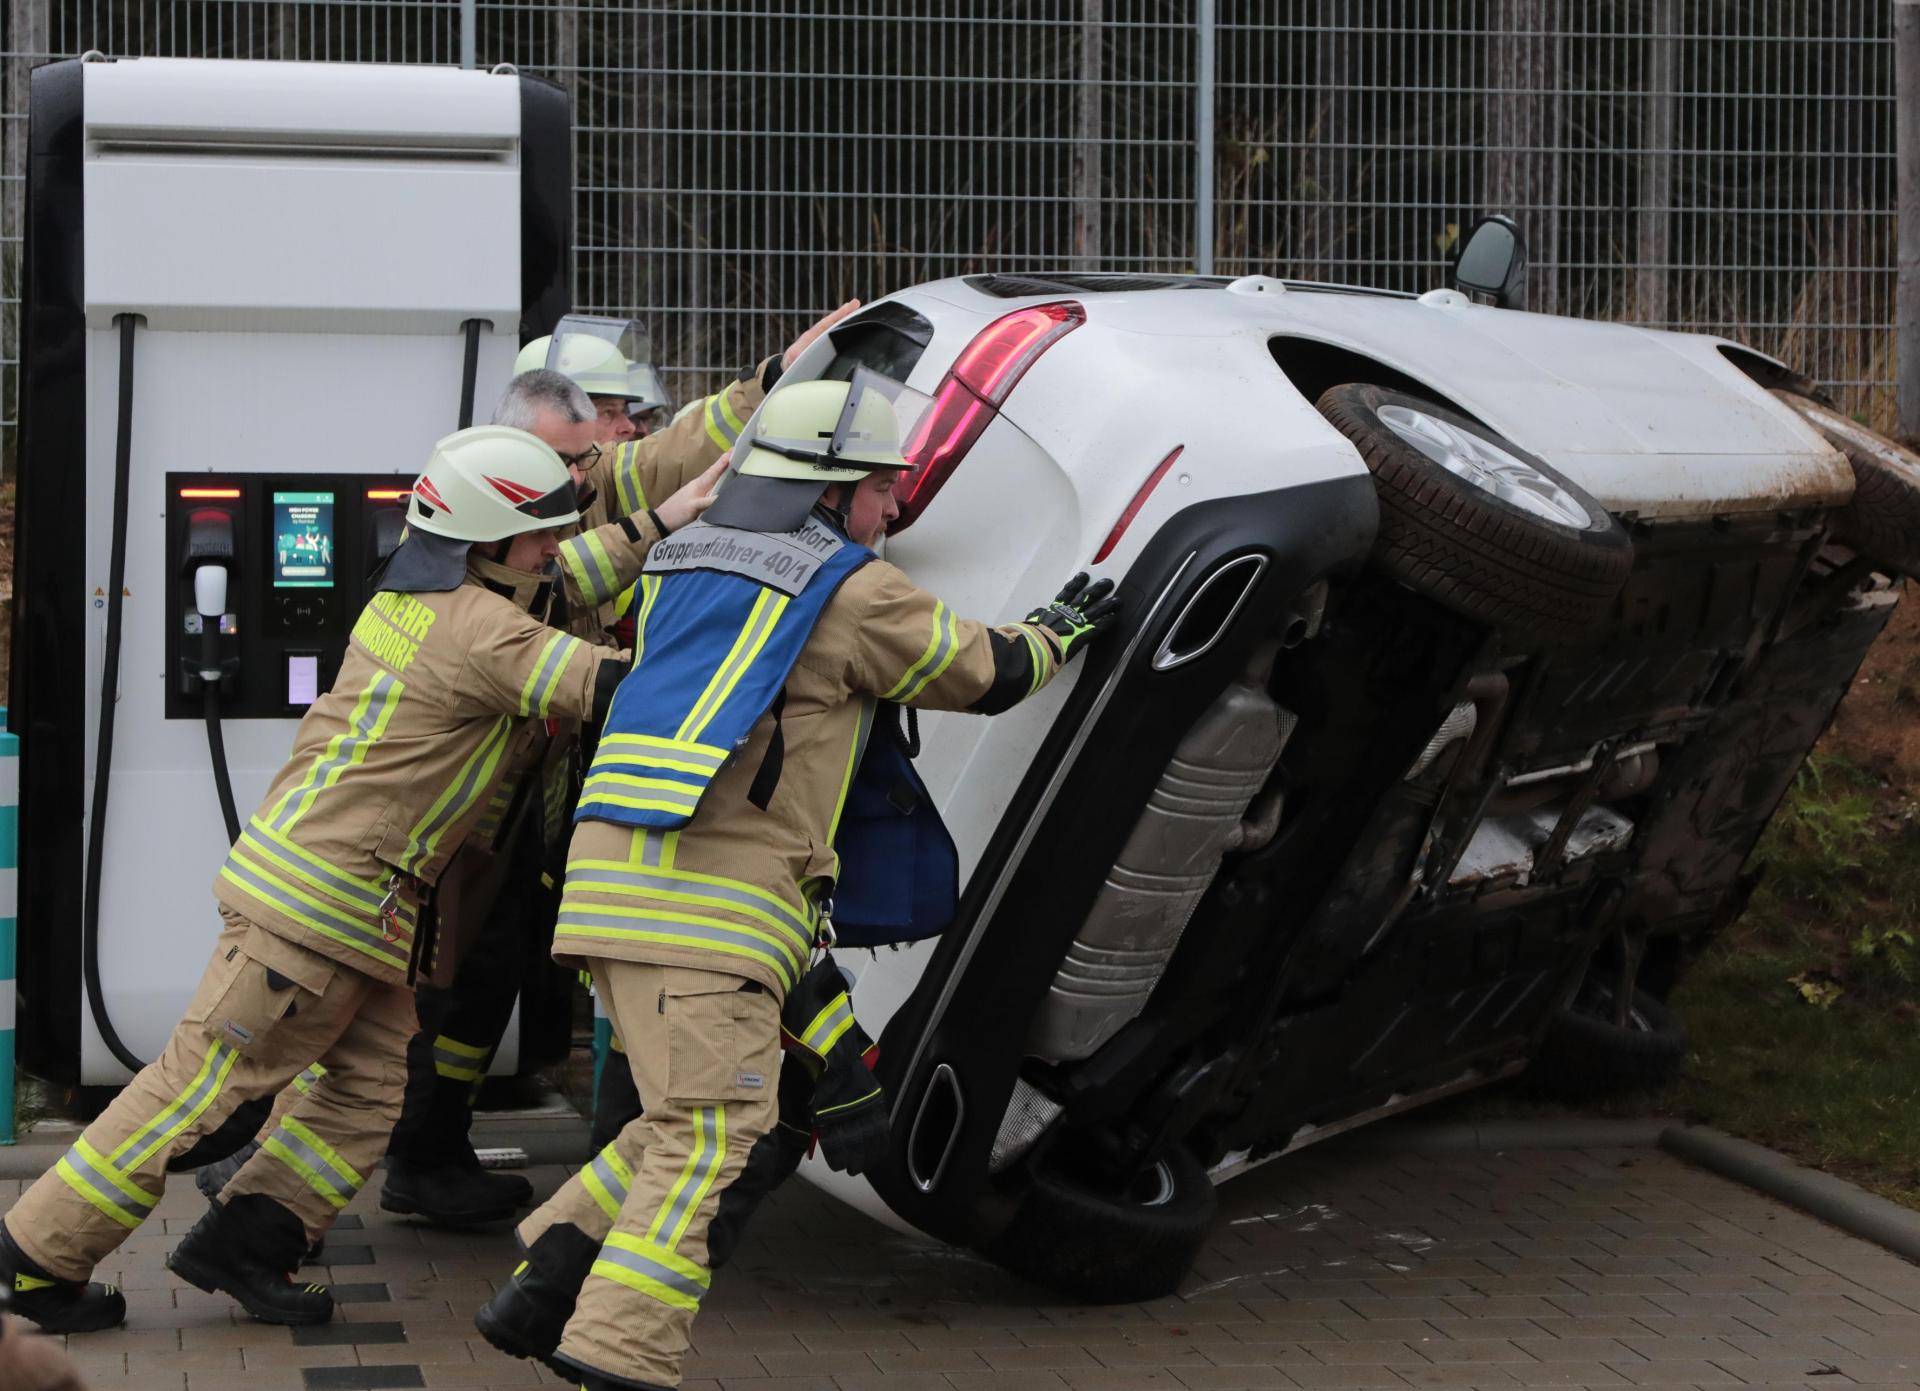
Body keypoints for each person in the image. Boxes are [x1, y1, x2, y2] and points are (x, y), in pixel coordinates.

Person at [473, 373, 1122, 1390]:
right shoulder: (853, 590)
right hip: (710, 909)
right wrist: (1057, 631)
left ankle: (545, 1275)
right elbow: (982, 671)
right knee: (718, 1129)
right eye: (880, 488)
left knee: (670, 1117)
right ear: (828, 489)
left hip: (608, 893)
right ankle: (617, 1351)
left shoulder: (679, 558)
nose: (895, 506)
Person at [0, 426, 723, 1333]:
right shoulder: (484, 631)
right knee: (196, 1088)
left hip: (348, 904)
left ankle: (249, 1244)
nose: (552, 546)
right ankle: (36, 1253)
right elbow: (620, 689)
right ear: (486, 539)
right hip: (320, 908)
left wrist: (666, 517)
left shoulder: (423, 587)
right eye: (538, 530)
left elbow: (557, 579)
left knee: (368, 1087)